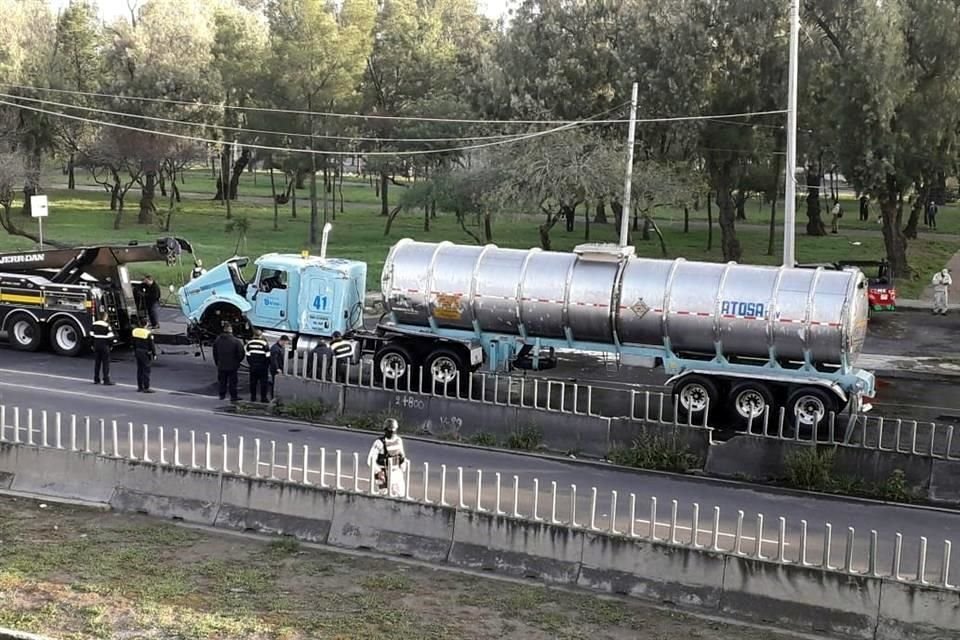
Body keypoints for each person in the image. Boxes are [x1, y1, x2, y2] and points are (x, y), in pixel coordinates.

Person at [366, 418, 409, 497]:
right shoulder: (379, 443)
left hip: (396, 472)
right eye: (389, 430)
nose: (391, 432)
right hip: (383, 472)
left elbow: (402, 456)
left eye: (393, 430)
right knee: (385, 497)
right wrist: (378, 472)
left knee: (400, 496)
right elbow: (370, 460)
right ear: (385, 430)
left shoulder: (399, 441)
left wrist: (403, 467)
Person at [213, 324, 246, 402]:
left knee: (222, 381)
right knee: (233, 382)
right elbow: (241, 353)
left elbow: (215, 353)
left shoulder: (217, 340)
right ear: (231, 331)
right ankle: (233, 396)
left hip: (221, 364)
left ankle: (222, 395)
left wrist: (217, 362)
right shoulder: (236, 341)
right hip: (233, 365)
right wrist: (238, 361)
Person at [245, 329, 271, 402]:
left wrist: (251, 364)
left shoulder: (249, 343)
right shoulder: (264, 343)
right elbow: (268, 356)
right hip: (262, 367)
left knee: (253, 383)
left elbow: (248, 355)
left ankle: (253, 397)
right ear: (261, 335)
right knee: (263, 383)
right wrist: (266, 365)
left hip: (253, 366)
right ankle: (263, 398)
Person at [131, 318, 156, 393]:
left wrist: (135, 351)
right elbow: (151, 345)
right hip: (145, 353)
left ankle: (140, 387)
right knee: (146, 370)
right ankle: (146, 387)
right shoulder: (148, 333)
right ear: (146, 324)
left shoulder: (135, 331)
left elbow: (133, 343)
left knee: (139, 370)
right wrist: (154, 354)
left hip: (138, 351)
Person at [91, 312, 115, 386]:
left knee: (97, 363)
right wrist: (111, 346)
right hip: (104, 346)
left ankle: (96, 379)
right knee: (105, 363)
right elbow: (111, 337)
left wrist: (92, 345)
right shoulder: (107, 325)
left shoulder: (94, 324)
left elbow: (91, 336)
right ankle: (106, 380)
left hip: (96, 345)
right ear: (105, 317)